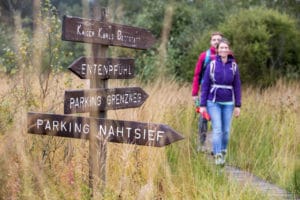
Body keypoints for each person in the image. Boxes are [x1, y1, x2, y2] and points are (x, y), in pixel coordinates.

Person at [199, 38, 241, 165]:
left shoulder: (233, 66)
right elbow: (205, 85)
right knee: (217, 129)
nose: (223, 50)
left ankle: (223, 151)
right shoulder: (211, 65)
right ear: (217, 50)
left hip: (228, 103)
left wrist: (238, 105)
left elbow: (237, 86)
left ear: (229, 50)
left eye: (225, 48)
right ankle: (217, 155)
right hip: (213, 102)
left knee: (226, 130)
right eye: (221, 48)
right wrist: (202, 105)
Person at [192, 32, 223, 152]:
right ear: (211, 42)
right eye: (214, 40)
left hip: (221, 93)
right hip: (205, 92)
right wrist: (194, 93)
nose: (216, 42)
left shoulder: (227, 56)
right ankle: (201, 144)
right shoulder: (204, 56)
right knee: (203, 118)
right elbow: (196, 75)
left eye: (218, 40)